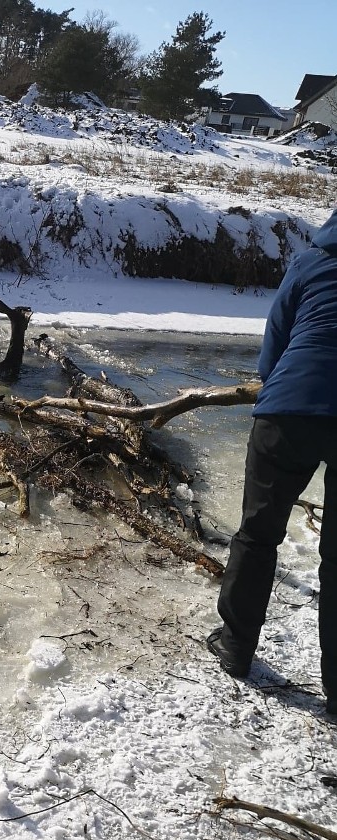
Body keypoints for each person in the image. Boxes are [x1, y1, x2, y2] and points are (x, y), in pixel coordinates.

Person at [208, 206, 337, 713]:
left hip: (289, 410)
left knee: (258, 534)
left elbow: (275, 341)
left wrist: (270, 381)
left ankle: (237, 648)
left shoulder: (309, 264)